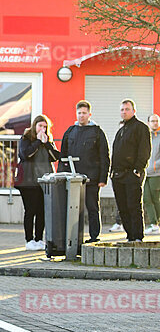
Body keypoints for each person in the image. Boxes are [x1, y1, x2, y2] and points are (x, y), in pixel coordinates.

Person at [58, 100, 110, 243]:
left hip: (91, 178)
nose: (81, 116)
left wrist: (102, 178)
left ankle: (94, 237)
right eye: (79, 113)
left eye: (84, 113)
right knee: (74, 210)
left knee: (92, 208)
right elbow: (63, 155)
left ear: (89, 114)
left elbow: (104, 156)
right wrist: (61, 175)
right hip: (73, 179)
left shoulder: (97, 132)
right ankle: (74, 239)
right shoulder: (70, 132)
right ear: (76, 114)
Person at [16, 115, 61, 250]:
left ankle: (38, 239)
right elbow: (24, 154)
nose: (43, 129)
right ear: (34, 126)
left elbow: (55, 157)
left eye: (45, 127)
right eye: (40, 126)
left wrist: (47, 144)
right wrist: (37, 142)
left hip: (44, 181)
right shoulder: (26, 139)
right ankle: (29, 240)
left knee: (42, 211)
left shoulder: (47, 141)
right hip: (28, 181)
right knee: (30, 211)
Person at [111, 99, 152, 242]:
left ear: (134, 111)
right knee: (122, 207)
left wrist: (138, 169)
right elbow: (115, 152)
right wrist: (111, 172)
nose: (124, 112)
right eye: (122, 109)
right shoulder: (121, 130)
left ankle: (137, 237)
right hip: (118, 175)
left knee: (133, 206)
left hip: (132, 174)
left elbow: (145, 150)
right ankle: (129, 236)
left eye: (127, 109)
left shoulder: (141, 128)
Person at [145, 114, 160, 235]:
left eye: (156, 121)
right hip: (144, 173)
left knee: (156, 199)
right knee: (146, 198)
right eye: (152, 121)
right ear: (148, 123)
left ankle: (157, 223)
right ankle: (153, 223)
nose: (154, 123)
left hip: (156, 173)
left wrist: (155, 165)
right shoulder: (145, 136)